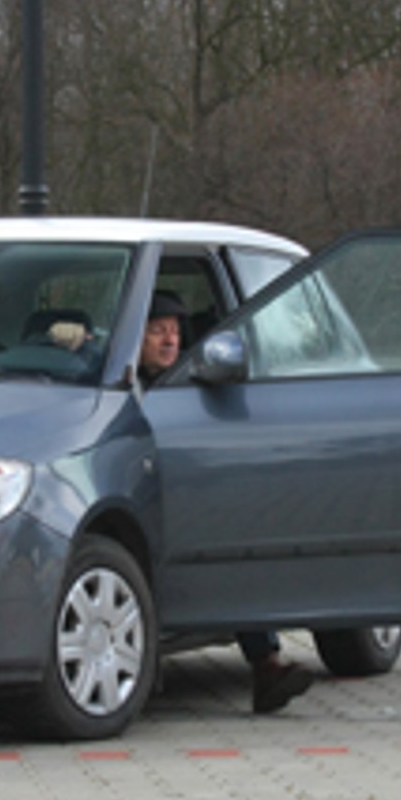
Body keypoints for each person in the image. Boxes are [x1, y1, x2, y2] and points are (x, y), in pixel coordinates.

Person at [137, 289, 315, 714]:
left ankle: (267, 667)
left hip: (193, 500)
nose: (169, 341)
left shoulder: (195, 379)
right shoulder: (120, 383)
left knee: (236, 549)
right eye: (158, 331)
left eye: (176, 332)